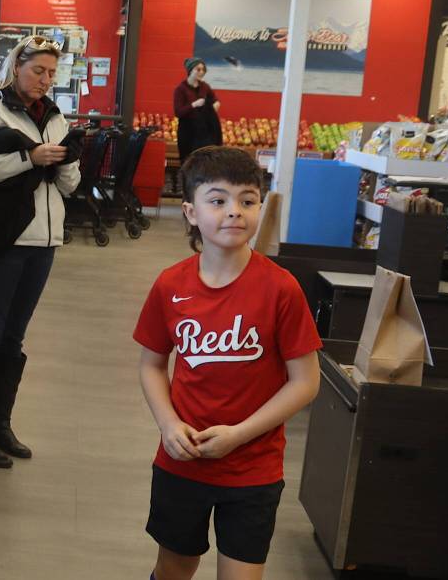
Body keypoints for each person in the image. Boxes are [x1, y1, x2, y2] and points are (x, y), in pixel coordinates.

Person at [133, 147, 321, 580]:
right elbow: (152, 365)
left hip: (253, 468)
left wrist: (238, 436)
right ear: (191, 212)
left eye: (247, 201)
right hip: (181, 460)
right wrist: (167, 424)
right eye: (218, 201)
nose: (234, 212)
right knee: (174, 567)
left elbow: (305, 382)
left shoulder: (281, 289)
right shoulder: (170, 286)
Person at [0, 35, 82, 468]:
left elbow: (69, 185)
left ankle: (0, 426)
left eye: (52, 73)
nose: (46, 80)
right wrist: (31, 159)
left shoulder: (56, 117)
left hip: (44, 242)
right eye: (38, 71)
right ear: (16, 67)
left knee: (14, 336)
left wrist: (63, 163)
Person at [173, 58, 222, 164]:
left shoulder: (205, 87)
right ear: (190, 70)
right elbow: (178, 112)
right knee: (188, 162)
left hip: (204, 133)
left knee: (205, 162)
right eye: (198, 69)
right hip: (188, 132)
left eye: (203, 70)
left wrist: (216, 105)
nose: (201, 72)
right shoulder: (180, 89)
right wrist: (193, 105)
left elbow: (215, 100)